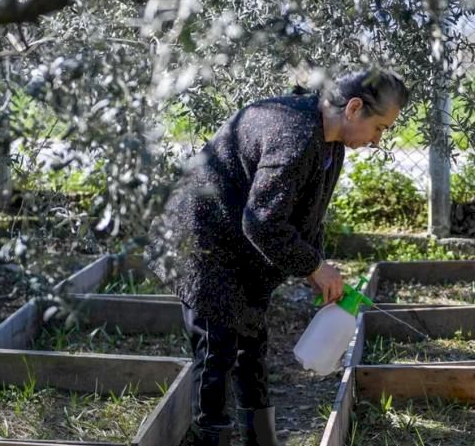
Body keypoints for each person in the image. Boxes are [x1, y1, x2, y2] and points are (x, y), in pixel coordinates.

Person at [147, 69, 409, 446]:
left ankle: (261, 440)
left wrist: (313, 261)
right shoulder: (296, 134)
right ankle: (210, 439)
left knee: (250, 345)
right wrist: (315, 267)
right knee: (217, 352)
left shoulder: (330, 142)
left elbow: (307, 214)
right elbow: (263, 222)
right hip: (201, 239)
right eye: (381, 127)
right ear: (354, 109)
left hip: (239, 244)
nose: (378, 140)